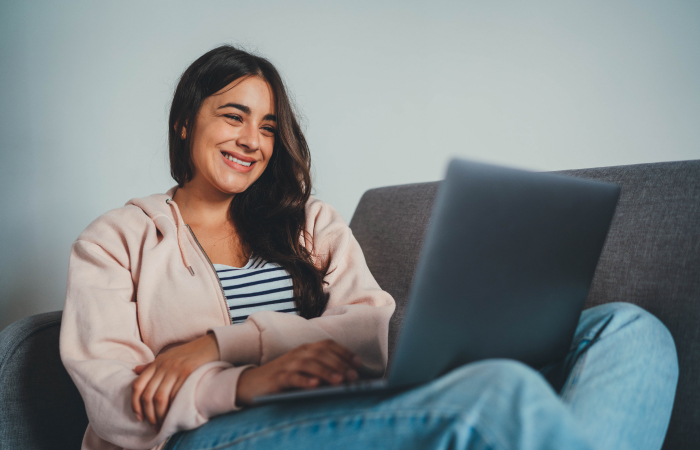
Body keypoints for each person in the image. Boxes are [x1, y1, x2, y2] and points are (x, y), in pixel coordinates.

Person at [59, 45, 678, 450]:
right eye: (233, 116)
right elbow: (115, 403)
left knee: (627, 329)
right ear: (184, 123)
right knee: (496, 392)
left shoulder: (310, 223)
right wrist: (244, 382)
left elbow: (369, 329)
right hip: (203, 434)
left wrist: (220, 344)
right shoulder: (116, 240)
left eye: (268, 126)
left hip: (337, 406)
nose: (253, 140)